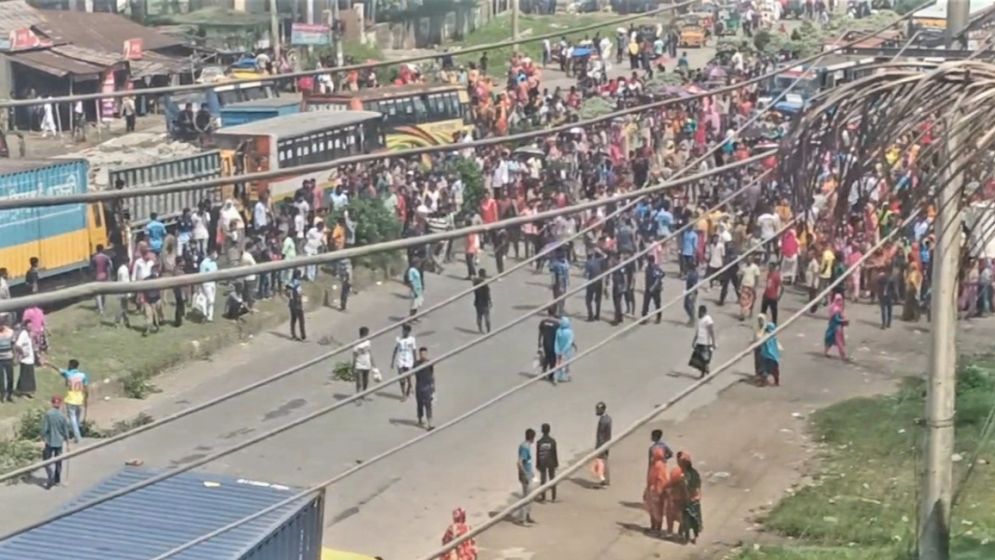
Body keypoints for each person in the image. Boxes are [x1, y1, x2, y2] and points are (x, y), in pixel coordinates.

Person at [46, 359, 88, 443]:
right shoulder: (83, 375)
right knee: (77, 418)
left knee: (72, 418)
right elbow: (86, 388)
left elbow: (58, 369)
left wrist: (49, 364)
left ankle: (77, 436)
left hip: (71, 399)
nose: (67, 366)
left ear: (71, 366)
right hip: (80, 399)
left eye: (69, 365)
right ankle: (76, 433)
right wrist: (86, 398)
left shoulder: (68, 374)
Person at [670, 451, 702, 543]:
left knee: (686, 518)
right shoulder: (694, 473)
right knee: (694, 519)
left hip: (688, 500)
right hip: (695, 499)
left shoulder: (684, 476)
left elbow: (685, 488)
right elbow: (698, 486)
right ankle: (692, 536)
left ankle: (686, 536)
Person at [40, 396, 72, 489]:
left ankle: (50, 475)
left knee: (46, 460)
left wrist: (42, 438)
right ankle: (57, 479)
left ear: (52, 403)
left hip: (49, 441)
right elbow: (65, 430)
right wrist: (68, 442)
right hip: (59, 441)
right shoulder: (62, 416)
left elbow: (44, 429)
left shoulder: (48, 415)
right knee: (58, 461)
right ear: (60, 404)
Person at [644, 447, 668, 535]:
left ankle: (656, 528)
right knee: (656, 511)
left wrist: (656, 491)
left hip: (656, 492)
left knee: (655, 510)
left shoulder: (657, 466)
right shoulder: (661, 465)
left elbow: (660, 479)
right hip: (656, 491)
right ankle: (655, 527)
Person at [391, 323, 416, 400]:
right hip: (400, 360)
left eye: (405, 331)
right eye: (403, 330)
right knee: (401, 379)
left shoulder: (412, 339)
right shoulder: (399, 339)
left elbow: (414, 350)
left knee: (408, 378)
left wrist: (415, 361)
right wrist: (392, 361)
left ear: (408, 331)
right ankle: (403, 394)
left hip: (409, 361)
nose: (404, 332)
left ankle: (409, 389)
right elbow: (395, 350)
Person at [689, 305, 715, 378]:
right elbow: (698, 331)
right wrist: (694, 340)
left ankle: (703, 373)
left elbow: (711, 331)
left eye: (700, 312)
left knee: (704, 359)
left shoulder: (708, 319)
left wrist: (713, 342)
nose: (698, 313)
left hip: (706, 343)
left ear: (703, 312)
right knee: (697, 359)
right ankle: (704, 369)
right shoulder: (700, 320)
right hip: (700, 341)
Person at [517, 428, 537, 524]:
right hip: (526, 476)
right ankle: (522, 519)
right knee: (526, 497)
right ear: (532, 438)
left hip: (528, 474)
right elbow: (520, 463)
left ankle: (527, 515)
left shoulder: (526, 446)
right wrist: (525, 474)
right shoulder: (525, 447)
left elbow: (527, 462)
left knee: (530, 497)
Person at [536, 423, 559, 502]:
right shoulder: (552, 441)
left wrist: (537, 464)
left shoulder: (539, 442)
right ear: (549, 430)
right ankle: (553, 497)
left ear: (542, 431)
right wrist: (556, 463)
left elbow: (537, 454)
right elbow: (554, 453)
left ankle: (543, 497)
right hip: (551, 462)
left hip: (542, 462)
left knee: (543, 480)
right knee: (552, 479)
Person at [414, 346, 435, 429]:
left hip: (427, 387)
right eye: (421, 353)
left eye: (424, 353)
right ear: (419, 354)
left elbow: (432, 374)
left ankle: (430, 423)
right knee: (420, 405)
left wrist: (433, 387)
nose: (423, 355)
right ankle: (420, 418)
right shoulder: (416, 364)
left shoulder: (430, 363)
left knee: (428, 405)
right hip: (419, 387)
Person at [14, 320, 35, 398]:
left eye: (31, 326)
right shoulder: (23, 334)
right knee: (24, 376)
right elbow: (17, 345)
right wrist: (22, 353)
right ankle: (22, 392)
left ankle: (28, 391)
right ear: (25, 326)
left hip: (30, 359)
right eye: (29, 326)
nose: (30, 327)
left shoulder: (29, 334)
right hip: (25, 360)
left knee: (29, 376)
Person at [824, 293, 848, 360]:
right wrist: (843, 320)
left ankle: (826, 352)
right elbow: (836, 319)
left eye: (841, 300)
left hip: (833, 327)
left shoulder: (834, 307)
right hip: (836, 327)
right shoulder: (836, 309)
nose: (840, 302)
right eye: (838, 300)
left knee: (830, 340)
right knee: (838, 341)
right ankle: (843, 355)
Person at [352, 326, 375, 396]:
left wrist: (373, 363)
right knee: (359, 382)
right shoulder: (356, 343)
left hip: (367, 363)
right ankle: (358, 395)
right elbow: (354, 354)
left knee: (366, 381)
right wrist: (353, 365)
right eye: (366, 334)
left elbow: (370, 352)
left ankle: (363, 393)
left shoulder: (368, 342)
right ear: (362, 334)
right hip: (359, 363)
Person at [538, 311, 560, 383]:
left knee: (547, 357)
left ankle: (543, 371)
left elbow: (540, 333)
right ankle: (551, 375)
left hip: (545, 342)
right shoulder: (557, 324)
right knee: (553, 359)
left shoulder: (543, 322)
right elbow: (559, 335)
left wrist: (539, 343)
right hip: (553, 343)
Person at [642, 255, 665, 323]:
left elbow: (660, 276)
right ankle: (644, 318)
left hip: (655, 289)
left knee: (657, 304)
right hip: (648, 288)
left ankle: (658, 318)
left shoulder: (655, 268)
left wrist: (653, 287)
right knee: (646, 304)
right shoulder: (647, 268)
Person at [553, 317, 576, 384]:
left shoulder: (558, 330)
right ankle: (568, 376)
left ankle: (556, 378)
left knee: (557, 364)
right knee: (567, 364)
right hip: (567, 351)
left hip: (558, 350)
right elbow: (569, 342)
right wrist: (564, 351)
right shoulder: (570, 332)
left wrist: (557, 350)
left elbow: (556, 341)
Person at [594, 401, 612, 486]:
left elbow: (602, 435)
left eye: (598, 409)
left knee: (602, 463)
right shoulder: (607, 418)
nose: (596, 411)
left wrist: (600, 446)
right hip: (605, 443)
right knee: (604, 462)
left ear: (602, 410)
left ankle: (604, 480)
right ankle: (605, 480)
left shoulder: (603, 421)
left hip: (602, 444)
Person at [758, 320, 781, 386]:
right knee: (775, 370)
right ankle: (776, 382)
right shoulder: (773, 336)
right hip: (774, 356)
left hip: (767, 356)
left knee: (765, 369)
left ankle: (763, 382)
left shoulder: (766, 336)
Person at [199, 250, 219, 323]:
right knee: (210, 299)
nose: (216, 255)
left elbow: (216, 272)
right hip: (206, 283)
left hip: (213, 283)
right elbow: (201, 275)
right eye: (214, 253)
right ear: (210, 254)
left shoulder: (214, 263)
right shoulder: (203, 263)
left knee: (211, 299)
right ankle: (204, 314)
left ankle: (210, 317)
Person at [584, 250, 605, 321]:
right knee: (598, 300)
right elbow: (605, 256)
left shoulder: (587, 263)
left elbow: (586, 274)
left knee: (588, 300)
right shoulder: (598, 261)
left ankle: (590, 316)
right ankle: (597, 315)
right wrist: (599, 250)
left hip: (592, 282)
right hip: (599, 281)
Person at [286, 269, 306, 341]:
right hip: (297, 304)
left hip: (291, 304)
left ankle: (293, 335)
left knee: (293, 320)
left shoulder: (289, 283)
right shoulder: (297, 284)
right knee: (301, 320)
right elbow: (299, 293)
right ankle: (303, 335)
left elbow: (287, 293)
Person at [739, 256, 761, 321]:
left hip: (751, 286)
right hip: (744, 285)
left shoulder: (755, 267)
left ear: (752, 260)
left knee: (751, 300)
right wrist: (739, 284)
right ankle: (742, 314)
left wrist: (756, 286)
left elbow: (757, 277)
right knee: (743, 301)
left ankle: (750, 311)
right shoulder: (744, 266)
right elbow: (741, 275)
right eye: (747, 259)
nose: (748, 261)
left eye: (750, 259)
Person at [472, 269, 492, 334]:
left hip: (477, 301)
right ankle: (488, 330)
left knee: (479, 316)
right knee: (487, 316)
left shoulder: (475, 282)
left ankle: (480, 328)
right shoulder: (484, 283)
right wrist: (490, 301)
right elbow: (487, 293)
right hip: (484, 302)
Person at [0, 317, 13, 402]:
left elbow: (13, 343)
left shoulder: (10, 332)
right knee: (1, 378)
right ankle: (3, 395)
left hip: (9, 358)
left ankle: (9, 395)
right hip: (0, 359)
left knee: (10, 377)